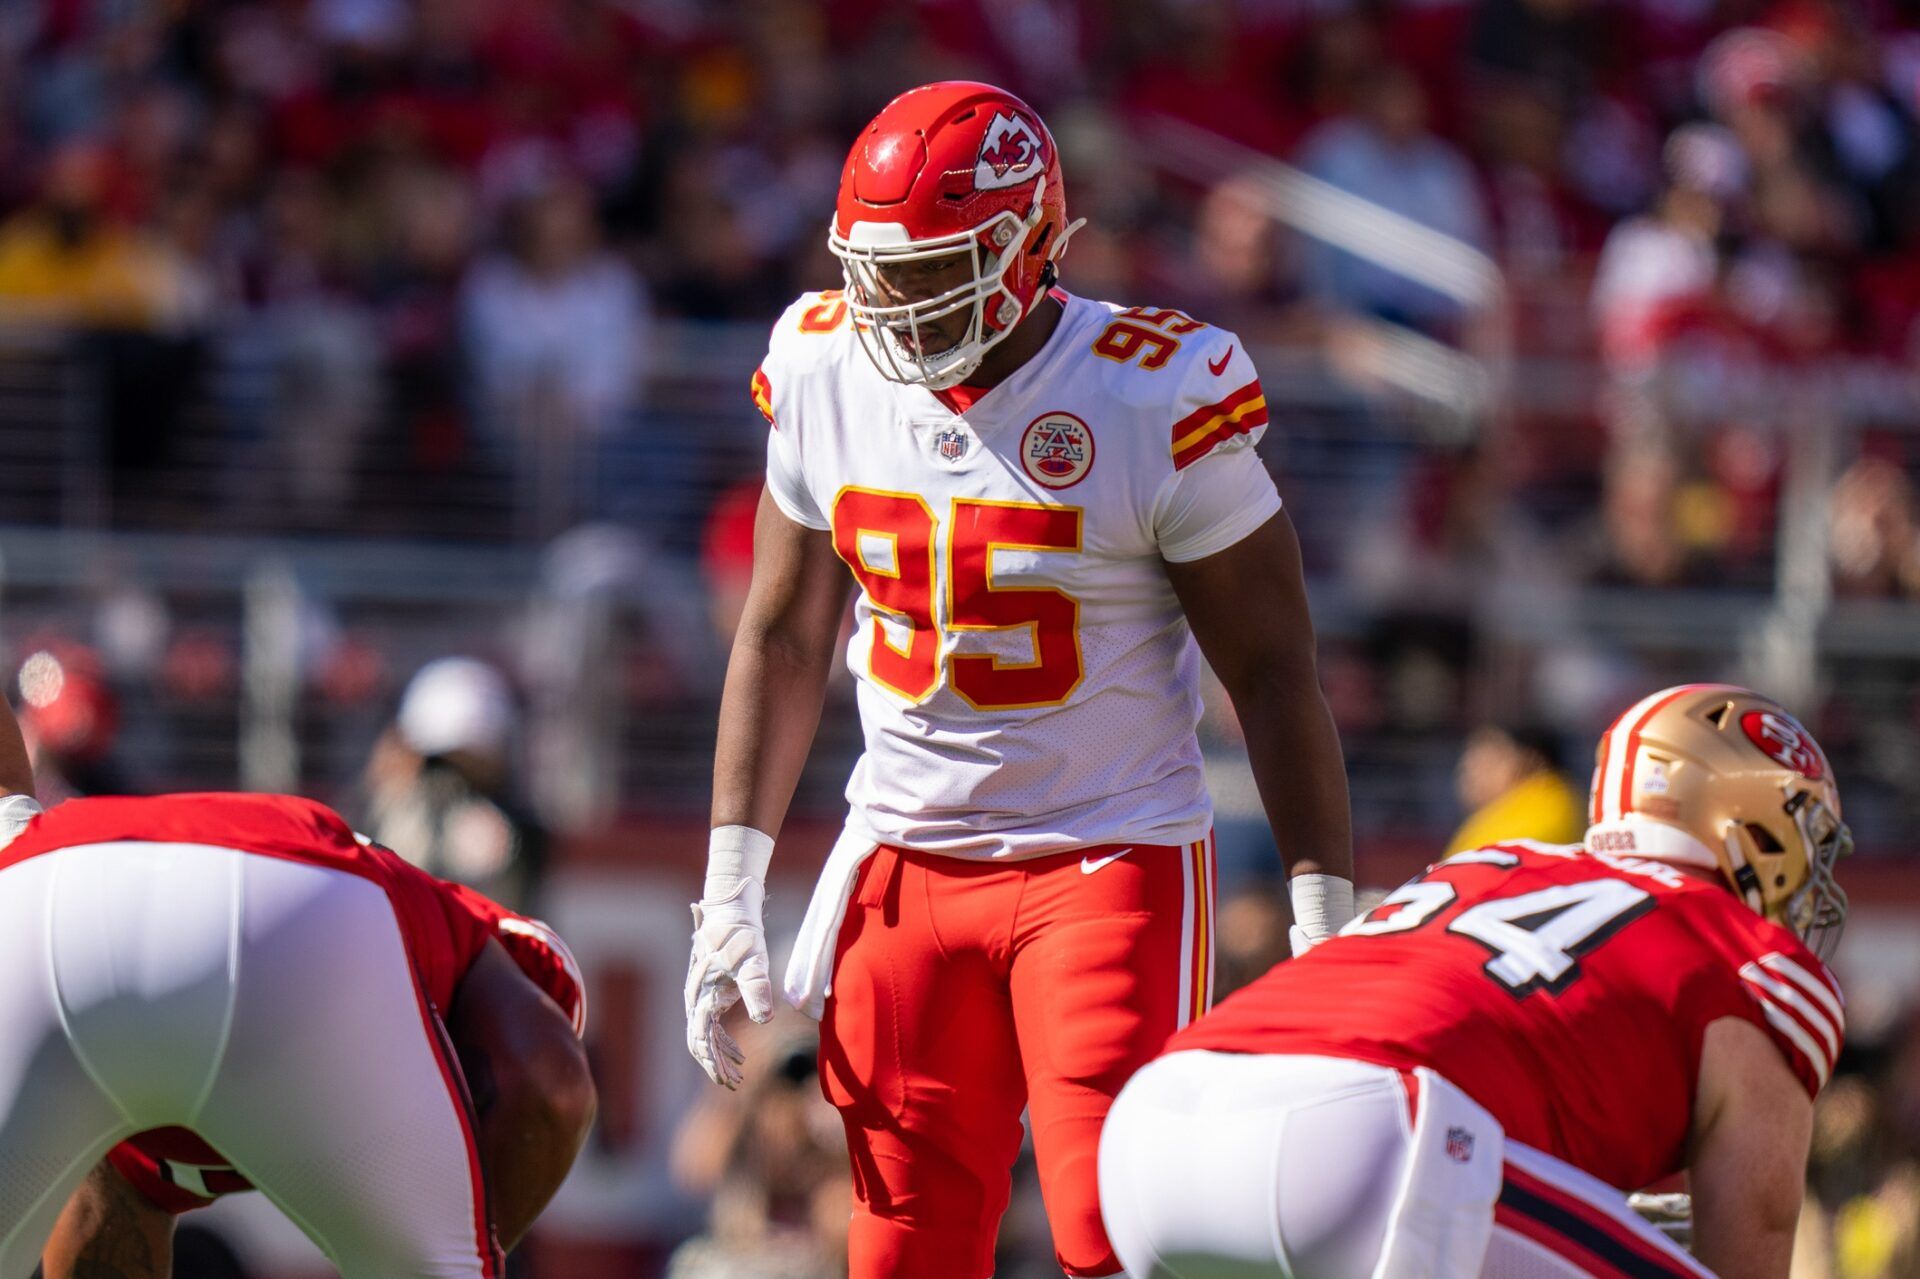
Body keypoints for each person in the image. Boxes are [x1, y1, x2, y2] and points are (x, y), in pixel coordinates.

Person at [684, 81, 1354, 1279]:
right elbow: (783, 637)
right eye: (876, 267)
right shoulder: (825, 362)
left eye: (931, 268)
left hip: (1107, 855)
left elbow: (1270, 664)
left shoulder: (1151, 390)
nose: (890, 300)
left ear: (1029, 243)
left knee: (1118, 1231)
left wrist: (1321, 912)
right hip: (905, 859)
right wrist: (728, 885)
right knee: (900, 1246)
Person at [1099, 684, 1851, 1278]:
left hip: (1155, 1129)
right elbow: (1753, 1241)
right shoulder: (1745, 951)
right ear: (1748, 827)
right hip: (1360, 1146)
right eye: (1807, 838)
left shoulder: (1486, 863)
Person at [0, 790, 596, 1279]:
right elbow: (551, 1083)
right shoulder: (474, 937)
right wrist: (481, 1235)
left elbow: (111, 1219)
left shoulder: (138, 1134)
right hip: (306, 900)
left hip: (40, 878)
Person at [1443, 720, 1586, 856]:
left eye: (1489, 761)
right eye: (1470, 763)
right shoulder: (1495, 816)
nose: (1473, 773)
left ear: (1533, 759)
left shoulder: (1550, 804)